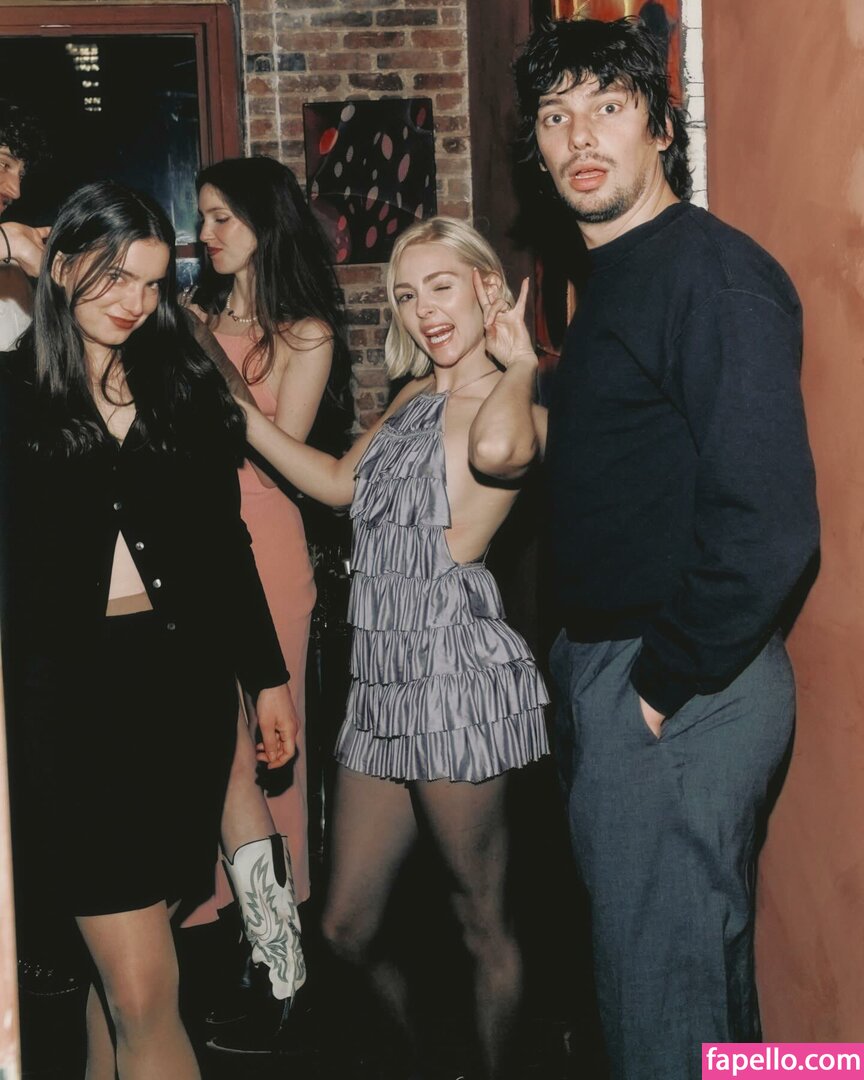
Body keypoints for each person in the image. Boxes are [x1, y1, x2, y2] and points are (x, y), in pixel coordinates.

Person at [497, 16, 820, 1079]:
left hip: (680, 682)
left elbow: (769, 521)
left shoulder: (709, 276)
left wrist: (658, 688)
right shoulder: (618, 277)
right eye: (556, 116)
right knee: (694, 1001)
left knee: (659, 1017)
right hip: (631, 671)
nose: (581, 135)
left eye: (610, 106)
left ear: (663, 129)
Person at [235, 215, 550, 1078]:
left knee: (481, 919)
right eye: (406, 296)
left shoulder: (516, 406)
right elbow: (338, 484)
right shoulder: (413, 397)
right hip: (380, 677)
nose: (422, 311)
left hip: (453, 674)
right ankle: (428, 1059)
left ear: (488, 288)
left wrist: (520, 361)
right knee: (345, 927)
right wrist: (238, 411)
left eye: (441, 287)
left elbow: (501, 452)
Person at [0, 179, 298, 1078]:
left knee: (119, 989)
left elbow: (226, 548)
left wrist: (266, 678)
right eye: (113, 277)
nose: (134, 301)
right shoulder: (12, 394)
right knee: (142, 990)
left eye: (151, 282)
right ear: (60, 269)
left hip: (182, 697)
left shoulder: (182, 385)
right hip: (63, 708)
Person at [181, 155, 348, 1024]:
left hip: (267, 542)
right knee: (209, 740)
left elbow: (275, 440)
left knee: (270, 741)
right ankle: (226, 926)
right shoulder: (195, 312)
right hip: (193, 544)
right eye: (202, 217)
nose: (205, 234)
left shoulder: (304, 333)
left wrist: (198, 345)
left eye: (221, 218)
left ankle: (279, 957)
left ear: (262, 221)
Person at [0, 98, 50, 349]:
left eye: (20, 175)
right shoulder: (10, 245)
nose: (15, 191)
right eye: (3, 164)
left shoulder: (14, 271)